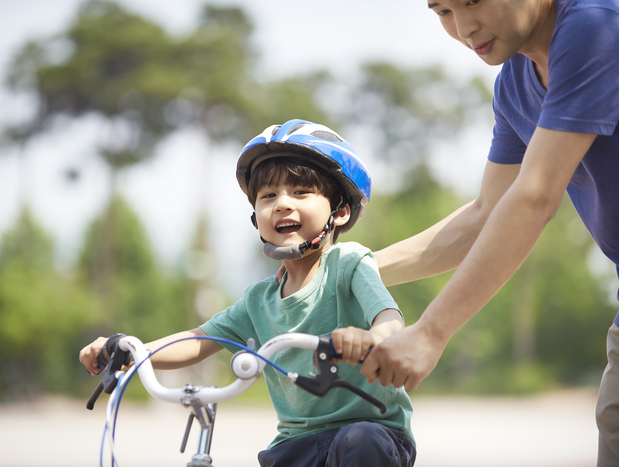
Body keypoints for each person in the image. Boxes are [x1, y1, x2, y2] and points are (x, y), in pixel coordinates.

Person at [356, 1, 619, 465]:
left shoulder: (596, 27)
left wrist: (431, 331)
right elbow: (484, 215)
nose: (463, 28)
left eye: (473, 0)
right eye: (441, 11)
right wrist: (346, 270)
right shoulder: (515, 85)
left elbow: (535, 197)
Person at [79, 119, 416, 467]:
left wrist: (372, 337)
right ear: (256, 216)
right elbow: (198, 340)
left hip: (371, 434)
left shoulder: (348, 264)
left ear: (340, 211)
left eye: (301, 192)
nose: (282, 204)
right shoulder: (259, 301)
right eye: (268, 196)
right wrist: (131, 350)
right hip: (297, 442)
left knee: (359, 441)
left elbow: (388, 318)